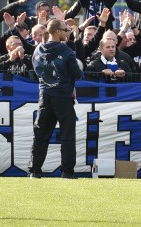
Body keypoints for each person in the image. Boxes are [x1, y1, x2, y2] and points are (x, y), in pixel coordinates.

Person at [29, 19, 82, 179]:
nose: (68, 33)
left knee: (41, 135)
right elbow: (77, 74)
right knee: (67, 135)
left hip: (44, 96)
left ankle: (34, 171)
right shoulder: (66, 51)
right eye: (66, 30)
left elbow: (36, 70)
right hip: (63, 97)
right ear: (57, 32)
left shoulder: (38, 49)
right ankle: (67, 172)